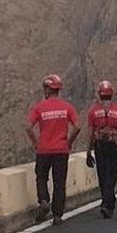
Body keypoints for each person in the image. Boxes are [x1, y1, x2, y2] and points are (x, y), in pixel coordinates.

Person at [25, 73, 79, 225]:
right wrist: (69, 142)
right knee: (59, 182)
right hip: (61, 150)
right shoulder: (67, 107)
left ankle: (43, 200)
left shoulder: (39, 107)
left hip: (43, 150)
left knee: (41, 177)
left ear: (47, 89)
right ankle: (57, 215)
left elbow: (28, 127)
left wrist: (36, 143)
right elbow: (78, 127)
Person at [85, 80, 117, 219]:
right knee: (113, 174)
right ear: (111, 94)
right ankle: (108, 201)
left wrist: (88, 151)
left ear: (99, 94)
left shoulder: (94, 110)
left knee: (102, 174)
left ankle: (106, 201)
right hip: (115, 146)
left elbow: (90, 133)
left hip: (100, 145)